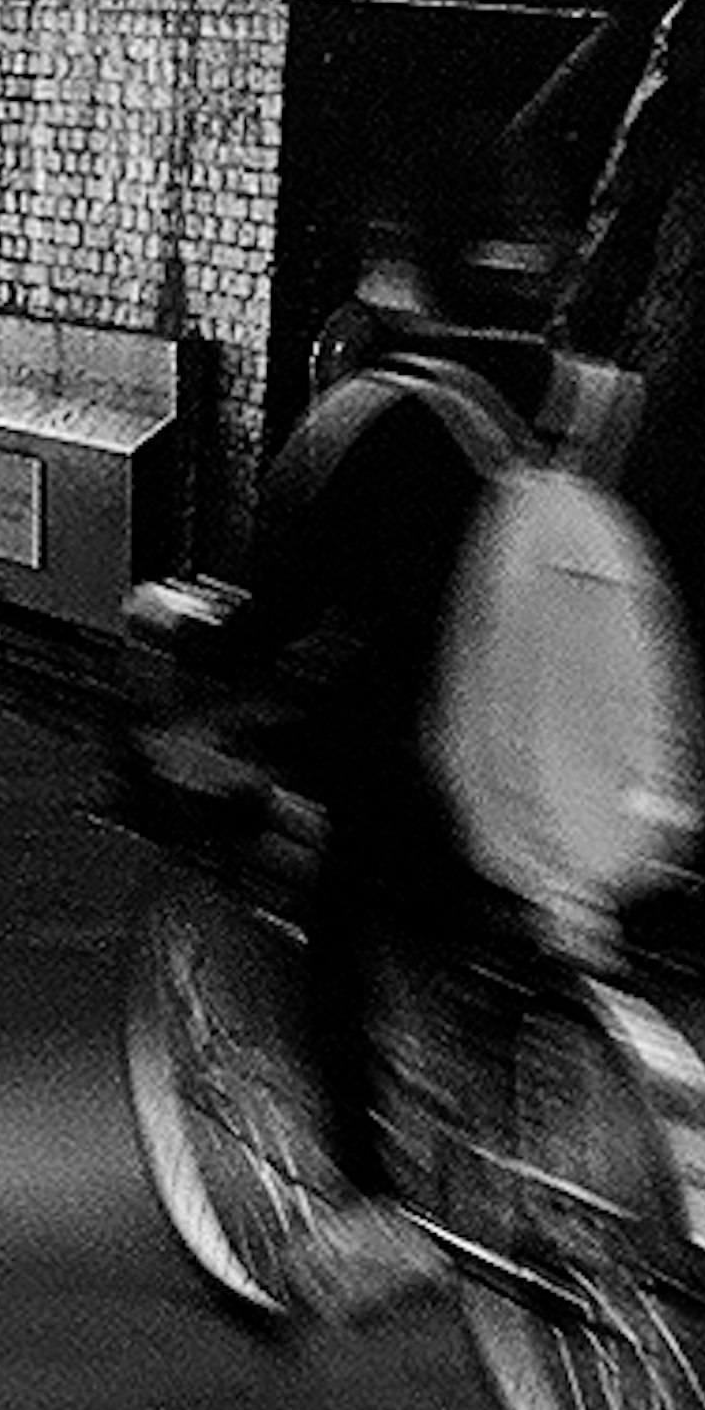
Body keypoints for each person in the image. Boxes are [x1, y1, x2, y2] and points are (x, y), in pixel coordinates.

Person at [223, 154, 565, 1317]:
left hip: (426, 782)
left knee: (333, 911)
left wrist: (232, 708)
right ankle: (523, 1164)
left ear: (400, 279)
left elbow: (269, 613)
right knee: (513, 943)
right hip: (575, 774)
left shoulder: (364, 420)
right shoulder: (569, 408)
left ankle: (375, 1207)